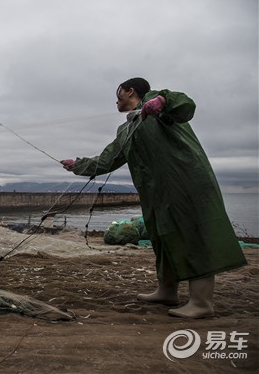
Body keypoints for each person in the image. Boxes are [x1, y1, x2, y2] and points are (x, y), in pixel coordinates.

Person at [60, 77, 247, 319]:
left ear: (131, 91)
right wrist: (77, 164)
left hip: (185, 184)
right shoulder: (126, 128)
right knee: (162, 238)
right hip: (155, 193)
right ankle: (167, 290)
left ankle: (202, 302)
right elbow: (108, 159)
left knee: (192, 236)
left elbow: (185, 104)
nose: (116, 100)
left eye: (119, 93)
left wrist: (162, 101)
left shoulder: (158, 106)